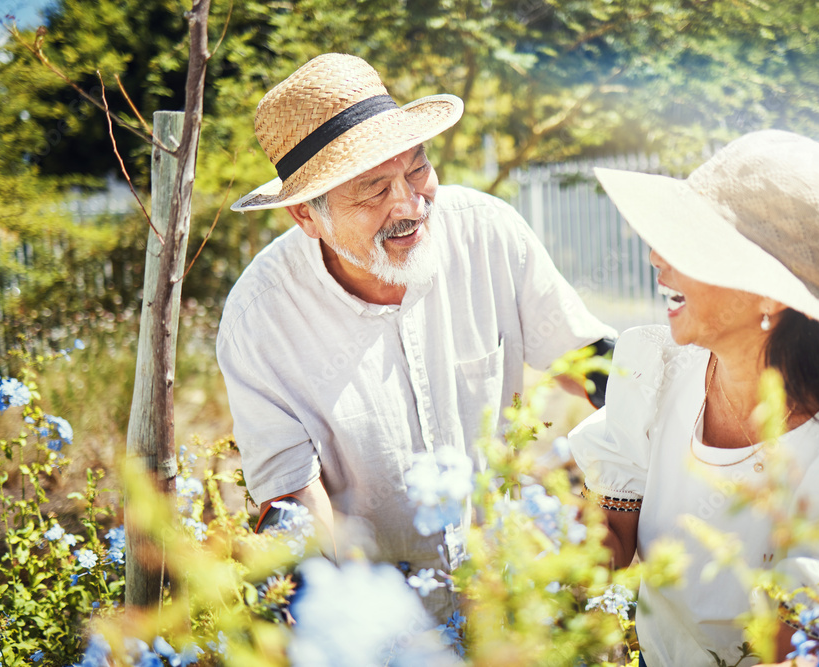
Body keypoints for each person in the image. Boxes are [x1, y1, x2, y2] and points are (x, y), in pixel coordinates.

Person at [217, 53, 616, 621]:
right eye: (373, 190)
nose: (408, 205)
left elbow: (589, 361)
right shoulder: (261, 321)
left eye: (417, 169)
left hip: (509, 604)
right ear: (307, 217)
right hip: (384, 626)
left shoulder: (488, 233)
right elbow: (293, 504)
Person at [569, 130, 819, 666]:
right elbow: (614, 531)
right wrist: (549, 548)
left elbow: (796, 650)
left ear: (769, 292)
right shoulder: (656, 370)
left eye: (691, 243)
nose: (655, 257)